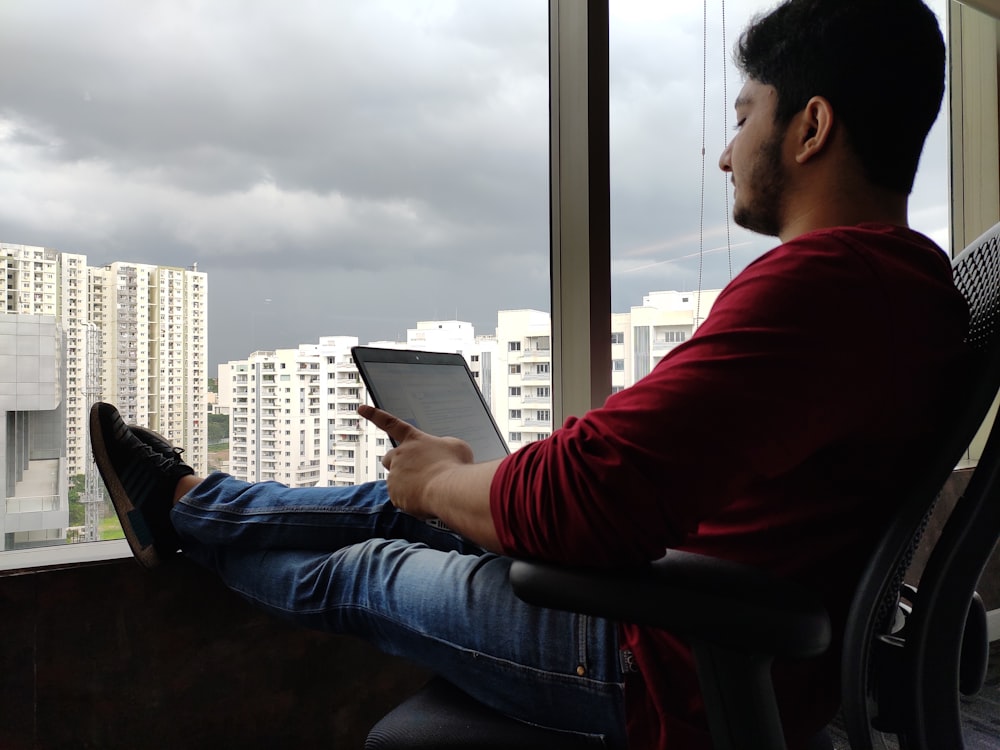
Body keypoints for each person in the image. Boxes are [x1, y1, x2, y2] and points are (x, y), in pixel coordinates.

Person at [89, 1, 967, 748]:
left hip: (658, 664)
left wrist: (444, 487)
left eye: (744, 117)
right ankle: (185, 498)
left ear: (811, 127)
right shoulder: (911, 288)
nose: (728, 154)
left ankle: (182, 525)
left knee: (365, 565)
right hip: (706, 615)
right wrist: (452, 481)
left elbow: (588, 501)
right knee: (393, 500)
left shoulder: (827, 286)